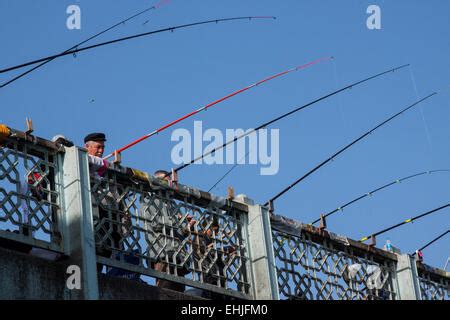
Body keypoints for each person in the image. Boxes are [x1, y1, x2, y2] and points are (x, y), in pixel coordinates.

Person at [142, 170, 194, 292]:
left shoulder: (172, 203)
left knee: (180, 292)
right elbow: (155, 223)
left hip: (177, 253)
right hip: (161, 252)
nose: (169, 184)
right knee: (164, 290)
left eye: (169, 181)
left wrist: (187, 227)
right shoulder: (149, 198)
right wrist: (177, 221)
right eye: (165, 181)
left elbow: (179, 232)